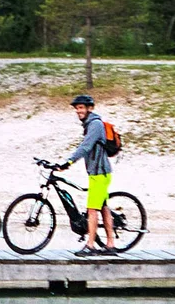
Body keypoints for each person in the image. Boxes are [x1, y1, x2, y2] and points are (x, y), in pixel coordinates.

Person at [59, 93, 115, 255]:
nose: (78, 111)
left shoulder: (95, 124)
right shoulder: (90, 124)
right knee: (103, 207)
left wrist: (68, 162)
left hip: (99, 173)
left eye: (81, 108)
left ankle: (90, 245)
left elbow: (85, 147)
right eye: (77, 109)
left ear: (90, 108)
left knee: (92, 209)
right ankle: (110, 244)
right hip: (99, 172)